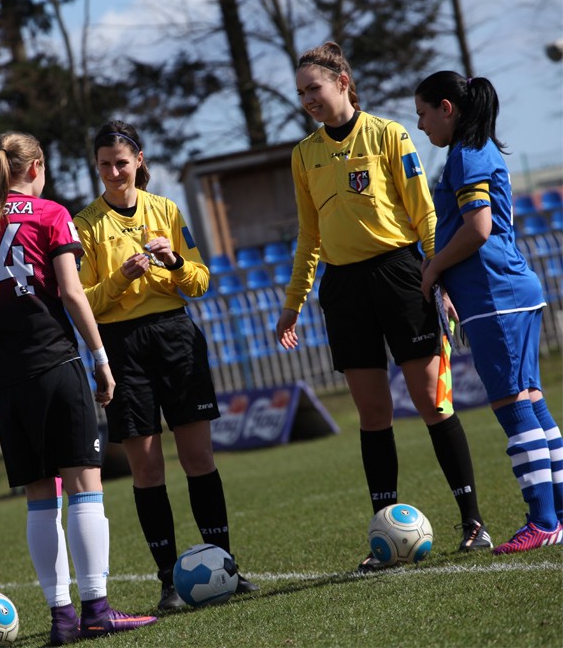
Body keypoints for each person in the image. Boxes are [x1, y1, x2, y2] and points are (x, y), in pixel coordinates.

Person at [275, 42, 492, 572]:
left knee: (431, 402)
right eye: (300, 93)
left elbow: (424, 214)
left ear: (343, 82)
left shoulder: (389, 134)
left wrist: (437, 277)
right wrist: (293, 303)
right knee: (373, 414)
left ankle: (473, 523)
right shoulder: (303, 155)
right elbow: (309, 235)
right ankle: (384, 536)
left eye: (314, 88)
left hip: (400, 276)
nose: (308, 99)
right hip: (344, 290)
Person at [0, 132, 157, 646]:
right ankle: (96, 610)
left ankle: (62, 619)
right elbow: (71, 292)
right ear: (36, 167)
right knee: (85, 485)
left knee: (40, 498)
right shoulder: (50, 214)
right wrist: (101, 358)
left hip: (5, 377)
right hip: (53, 362)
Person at [73, 120, 259, 609]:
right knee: (148, 467)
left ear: (139, 161)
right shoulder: (84, 224)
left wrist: (175, 261)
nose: (114, 172)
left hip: (176, 336)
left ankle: (226, 566)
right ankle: (168, 583)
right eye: (104, 165)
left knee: (199, 459)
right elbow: (85, 303)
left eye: (121, 162)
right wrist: (120, 278)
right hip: (122, 346)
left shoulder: (167, 209)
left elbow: (200, 282)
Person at [415, 71, 563, 553]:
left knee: (512, 404)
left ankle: (543, 521)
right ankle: (557, 516)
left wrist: (434, 267)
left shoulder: (467, 154)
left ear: (447, 108)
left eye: (423, 113)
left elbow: (478, 228)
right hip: (510, 291)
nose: (420, 125)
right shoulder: (476, 150)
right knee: (531, 400)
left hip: (494, 296)